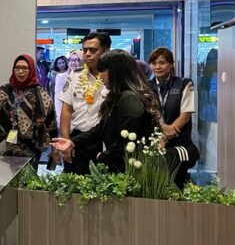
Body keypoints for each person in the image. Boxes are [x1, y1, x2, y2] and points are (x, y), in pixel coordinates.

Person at [52, 50, 160, 173]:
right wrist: (72, 142)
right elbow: (100, 129)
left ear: (115, 72)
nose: (100, 75)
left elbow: (125, 139)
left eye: (103, 71)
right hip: (120, 164)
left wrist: (103, 156)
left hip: (130, 167)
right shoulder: (118, 96)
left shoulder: (129, 98)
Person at [0, 54, 56, 158]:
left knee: (29, 173)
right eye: (18, 68)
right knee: (12, 171)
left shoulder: (39, 93)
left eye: (25, 68)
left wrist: (54, 148)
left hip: (33, 145)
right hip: (11, 142)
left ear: (31, 70)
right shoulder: (7, 89)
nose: (20, 72)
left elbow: (50, 121)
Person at [58, 31, 111, 174]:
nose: (87, 54)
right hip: (77, 139)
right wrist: (66, 141)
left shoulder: (112, 78)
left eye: (93, 50)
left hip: (102, 142)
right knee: (73, 187)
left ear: (106, 51)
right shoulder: (75, 76)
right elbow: (66, 110)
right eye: (85, 50)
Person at [148, 47, 199, 187]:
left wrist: (167, 135)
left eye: (162, 63)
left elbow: (186, 115)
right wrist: (163, 129)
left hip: (179, 144)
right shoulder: (146, 86)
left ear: (171, 64)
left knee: (176, 183)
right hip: (155, 144)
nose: (157, 67)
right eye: (153, 63)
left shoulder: (184, 83)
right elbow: (150, 112)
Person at [53, 50, 82, 132]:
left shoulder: (87, 77)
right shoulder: (61, 77)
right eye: (71, 60)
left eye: (77, 60)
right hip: (66, 117)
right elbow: (58, 98)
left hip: (83, 119)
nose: (73, 63)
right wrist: (59, 118)